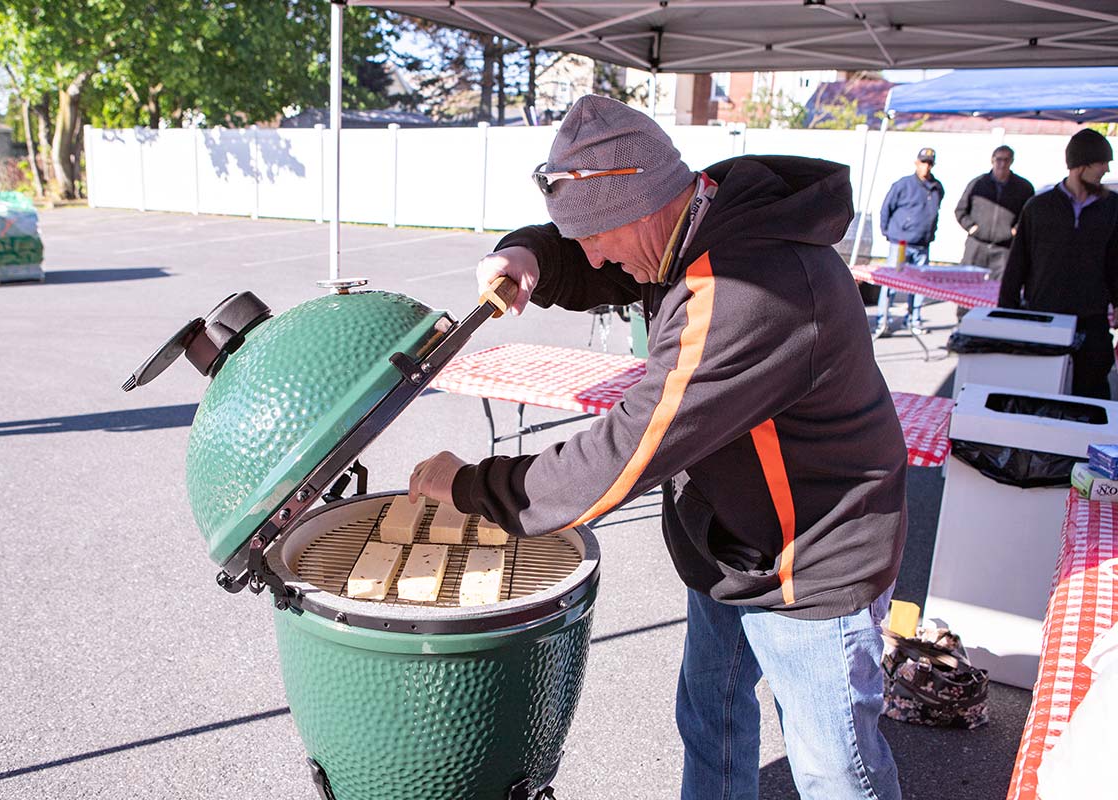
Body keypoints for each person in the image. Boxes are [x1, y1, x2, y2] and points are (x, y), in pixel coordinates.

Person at [408, 95, 906, 800]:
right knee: (713, 726)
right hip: (734, 545)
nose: (593, 256)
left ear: (643, 208)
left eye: (594, 236)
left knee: (835, 774)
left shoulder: (744, 286)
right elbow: (606, 263)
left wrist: (472, 487)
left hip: (813, 558)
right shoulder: (691, 223)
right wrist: (530, 254)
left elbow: (623, 456)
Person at [999, 128, 1118, 399]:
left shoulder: (1112, 207)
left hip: (1092, 316)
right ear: (1081, 165)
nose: (1106, 170)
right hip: (1046, 314)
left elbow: (1115, 260)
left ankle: (1088, 441)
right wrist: (1007, 315)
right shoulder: (1038, 207)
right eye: (1102, 163)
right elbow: (1018, 263)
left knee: (1093, 393)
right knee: (1039, 392)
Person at [876, 147, 945, 336]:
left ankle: (914, 320)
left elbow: (935, 212)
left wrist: (931, 233)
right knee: (892, 281)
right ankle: (883, 320)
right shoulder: (903, 185)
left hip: (923, 243)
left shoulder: (937, 187)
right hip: (901, 243)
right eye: (923, 162)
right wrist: (889, 233)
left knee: (918, 285)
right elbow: (886, 209)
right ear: (917, 163)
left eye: (930, 163)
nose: (926, 167)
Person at [955, 145, 1035, 281]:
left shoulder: (1023, 188)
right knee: (968, 288)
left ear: (1012, 161)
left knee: (999, 292)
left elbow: (1029, 216)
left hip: (1004, 249)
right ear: (992, 160)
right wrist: (972, 228)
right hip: (976, 246)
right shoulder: (978, 184)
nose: (1002, 164)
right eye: (999, 159)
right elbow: (961, 210)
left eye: (1006, 160)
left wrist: (1014, 231)